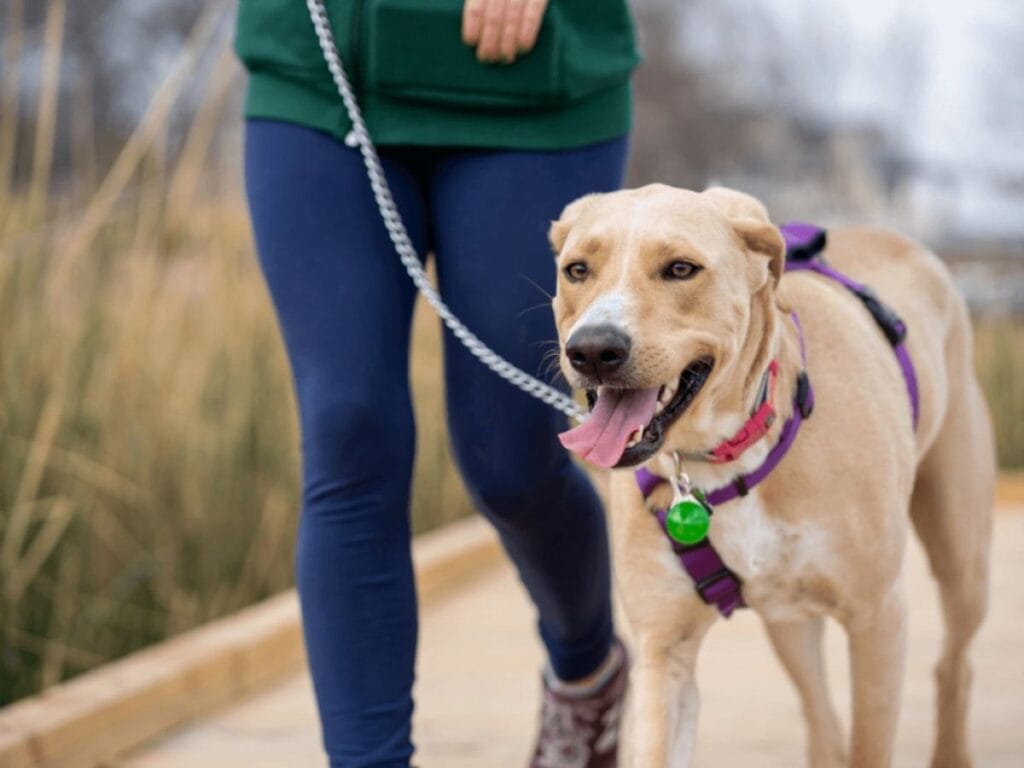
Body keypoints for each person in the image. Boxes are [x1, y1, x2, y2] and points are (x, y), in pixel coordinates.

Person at [235, 1, 640, 765]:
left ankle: (588, 671)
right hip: (318, 87)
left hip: (533, 90)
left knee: (511, 462)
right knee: (348, 432)